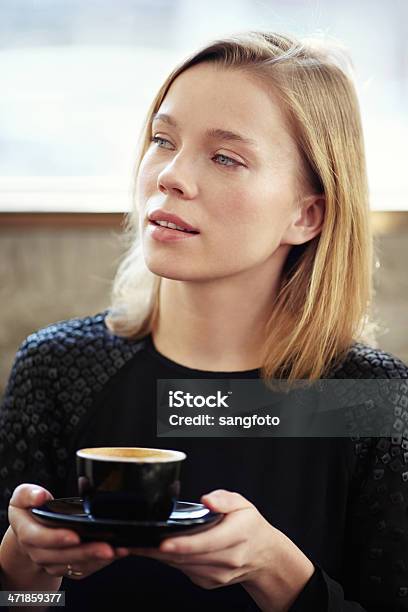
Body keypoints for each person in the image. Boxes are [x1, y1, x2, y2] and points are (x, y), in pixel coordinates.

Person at [0, 31, 407, 612]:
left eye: (225, 157)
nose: (170, 175)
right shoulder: (57, 366)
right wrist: (22, 574)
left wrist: (279, 574)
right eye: (163, 140)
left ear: (307, 213)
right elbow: (23, 608)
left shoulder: (370, 399)